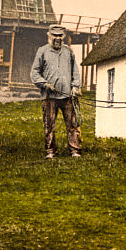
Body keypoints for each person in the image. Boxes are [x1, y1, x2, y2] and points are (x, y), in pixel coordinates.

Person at [30, 24, 82, 158]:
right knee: (49, 125)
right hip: (49, 96)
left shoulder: (69, 52)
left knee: (73, 124)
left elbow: (75, 72)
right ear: (49, 36)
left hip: (68, 96)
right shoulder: (42, 51)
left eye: (60, 36)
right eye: (54, 36)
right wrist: (45, 84)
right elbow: (34, 73)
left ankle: (75, 150)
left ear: (63, 37)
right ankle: (50, 151)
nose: (57, 39)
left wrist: (75, 87)